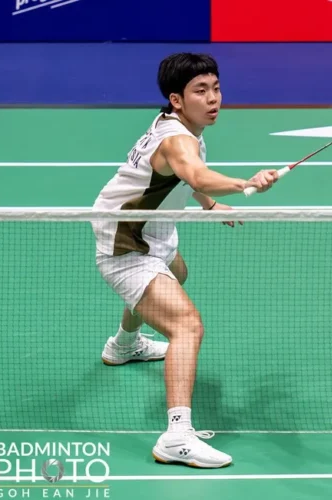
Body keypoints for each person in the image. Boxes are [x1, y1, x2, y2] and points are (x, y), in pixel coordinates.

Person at [91, 52, 279, 467]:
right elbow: (193, 172)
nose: (213, 99)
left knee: (177, 273)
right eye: (200, 91)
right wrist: (245, 183)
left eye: (216, 88)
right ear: (176, 100)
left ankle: (123, 346)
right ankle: (176, 437)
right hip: (126, 243)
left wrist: (209, 204)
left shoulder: (182, 128)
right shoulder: (178, 140)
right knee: (187, 325)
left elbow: (183, 175)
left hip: (150, 229)